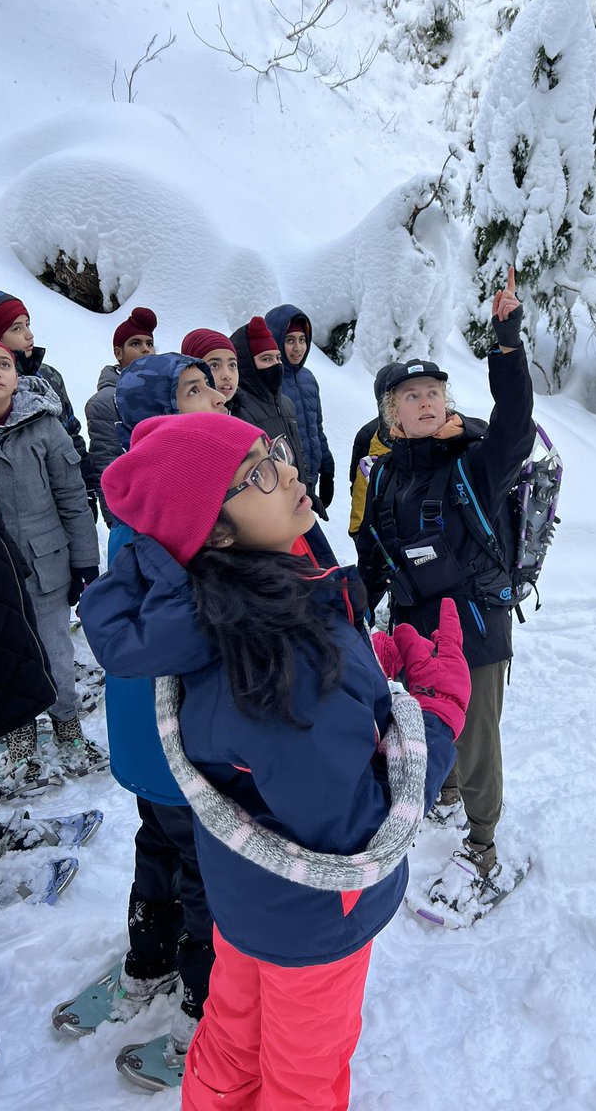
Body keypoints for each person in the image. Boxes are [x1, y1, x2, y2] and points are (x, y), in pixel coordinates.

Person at [80, 413, 467, 1110]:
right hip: (313, 920)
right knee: (302, 1080)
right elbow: (357, 827)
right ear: (215, 531)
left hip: (246, 902)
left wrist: (366, 673)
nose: (289, 471)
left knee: (234, 1039)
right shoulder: (275, 670)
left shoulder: (223, 614)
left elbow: (276, 746)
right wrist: (435, 712)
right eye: (257, 473)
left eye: (275, 453)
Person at [61, 354, 227, 1063]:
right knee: (193, 866)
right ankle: (201, 995)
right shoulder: (177, 498)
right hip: (174, 732)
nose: (216, 395)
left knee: (161, 846)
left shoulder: (139, 490)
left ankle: (154, 958)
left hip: (149, 731)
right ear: (155, 418)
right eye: (195, 389)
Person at [355, 268, 533, 920]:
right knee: (426, 726)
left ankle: (483, 846)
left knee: (479, 738)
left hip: (478, 628)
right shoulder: (382, 481)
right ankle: (448, 795)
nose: (427, 401)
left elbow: (515, 427)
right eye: (412, 395)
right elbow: (373, 554)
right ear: (391, 416)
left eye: (434, 390)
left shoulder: (474, 466)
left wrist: (507, 347)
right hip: (415, 630)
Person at [0, 338, 105, 795]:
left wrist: (84, 561)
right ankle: (20, 734)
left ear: (16, 375)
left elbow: (72, 498)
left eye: (3, 364)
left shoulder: (45, 426)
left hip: (46, 564)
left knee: (55, 652)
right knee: (4, 658)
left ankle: (68, 725)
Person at [0, 288, 96, 520]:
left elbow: (71, 433)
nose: (29, 335)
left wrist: (88, 488)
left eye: (28, 324)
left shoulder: (48, 377)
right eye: (16, 328)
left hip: (60, 503)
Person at [228, 316, 325, 518]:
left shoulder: (285, 403)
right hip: (269, 512)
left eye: (277, 358)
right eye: (266, 359)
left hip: (296, 499)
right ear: (246, 364)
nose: (275, 365)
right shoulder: (237, 410)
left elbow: (297, 450)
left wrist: (307, 487)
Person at [85, 307, 157, 526]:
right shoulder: (105, 402)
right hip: (132, 516)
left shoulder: (169, 393)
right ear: (118, 353)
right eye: (136, 344)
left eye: (149, 343)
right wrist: (116, 523)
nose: (145, 349)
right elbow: (106, 466)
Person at [264, 305, 335, 515]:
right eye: (289, 340)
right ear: (276, 340)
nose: (297, 348)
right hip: (285, 482)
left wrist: (327, 467)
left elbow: (315, 427)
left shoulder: (308, 379)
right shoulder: (270, 382)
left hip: (311, 479)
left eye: (302, 340)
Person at [347, 363, 395, 539]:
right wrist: (359, 533)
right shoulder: (368, 435)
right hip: (375, 534)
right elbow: (358, 489)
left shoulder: (425, 431)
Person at [180, 329, 240, 409]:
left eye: (232, 365)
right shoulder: (181, 417)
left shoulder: (247, 412)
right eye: (214, 366)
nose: (227, 375)